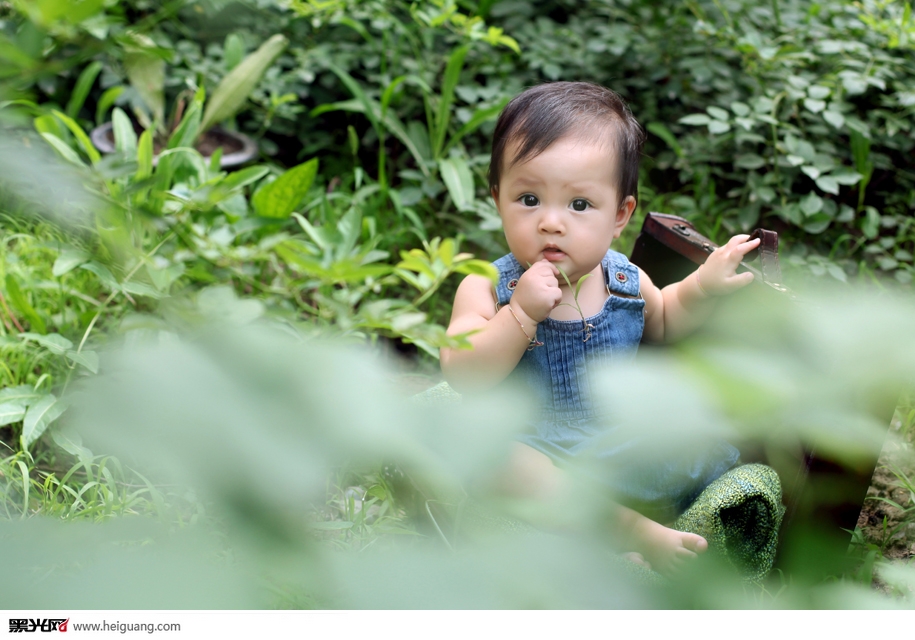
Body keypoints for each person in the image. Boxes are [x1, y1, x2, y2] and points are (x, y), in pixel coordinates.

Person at [439, 82, 761, 576]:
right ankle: (630, 534)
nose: (551, 222)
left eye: (580, 205)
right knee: (502, 461)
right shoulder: (487, 287)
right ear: (498, 199)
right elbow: (462, 371)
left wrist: (703, 285)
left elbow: (667, 319)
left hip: (614, 444)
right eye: (528, 198)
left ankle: (663, 527)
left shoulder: (627, 282)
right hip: (536, 451)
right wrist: (520, 314)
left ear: (619, 216)